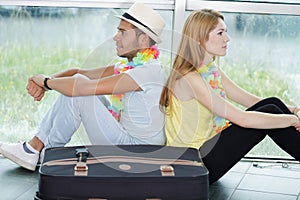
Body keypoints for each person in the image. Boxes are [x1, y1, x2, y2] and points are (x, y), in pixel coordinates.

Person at [0, 2, 166, 171]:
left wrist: (44, 82)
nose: (116, 37)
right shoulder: (132, 66)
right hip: (127, 140)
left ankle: (44, 152)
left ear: (143, 40)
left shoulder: (148, 72)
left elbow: (80, 88)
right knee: (77, 83)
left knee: (80, 94)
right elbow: (78, 72)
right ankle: (36, 149)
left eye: (122, 32)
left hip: (137, 153)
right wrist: (45, 83)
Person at [159, 9, 300, 184]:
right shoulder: (190, 78)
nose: (227, 38)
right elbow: (242, 119)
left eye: (225, 32)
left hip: (207, 148)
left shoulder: (210, 70)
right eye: (220, 33)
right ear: (199, 39)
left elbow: (248, 100)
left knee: (272, 103)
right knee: (270, 109)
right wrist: (293, 120)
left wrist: (295, 110)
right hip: (193, 163)